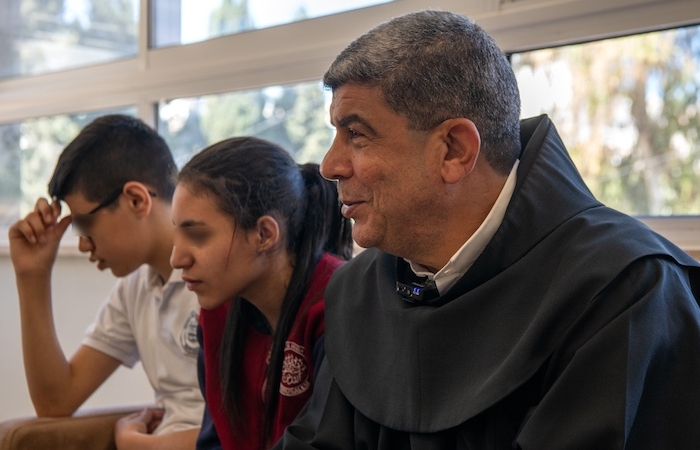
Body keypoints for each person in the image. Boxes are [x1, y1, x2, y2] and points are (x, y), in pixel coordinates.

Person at [272, 9, 700, 449]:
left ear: (455, 151)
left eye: (357, 135)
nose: (329, 165)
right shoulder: (357, 291)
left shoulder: (626, 289)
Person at [8, 114, 204, 449]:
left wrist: (136, 444)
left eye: (84, 224)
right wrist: (33, 276)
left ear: (136, 200)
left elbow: (252, 425)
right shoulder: (135, 290)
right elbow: (56, 402)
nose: (83, 244)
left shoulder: (218, 278)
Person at [169, 137, 353, 450]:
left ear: (264, 234)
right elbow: (212, 441)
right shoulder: (217, 312)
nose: (176, 258)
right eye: (176, 233)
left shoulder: (339, 303)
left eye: (197, 235)